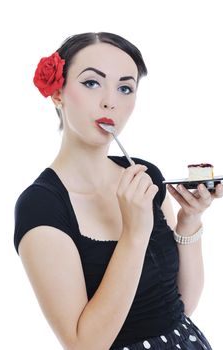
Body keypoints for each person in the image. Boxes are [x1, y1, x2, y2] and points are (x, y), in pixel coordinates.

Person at [13, 32, 223, 350]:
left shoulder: (144, 175)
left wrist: (189, 222)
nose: (111, 100)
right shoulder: (40, 207)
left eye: (125, 87)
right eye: (92, 83)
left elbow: (179, 308)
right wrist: (134, 234)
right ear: (57, 92)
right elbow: (84, 345)